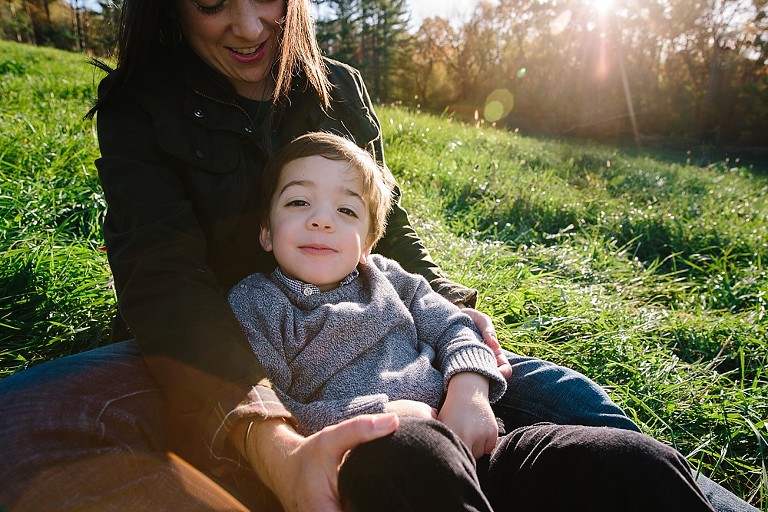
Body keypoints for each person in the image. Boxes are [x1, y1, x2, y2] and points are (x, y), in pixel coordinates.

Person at [0, 0, 756, 510]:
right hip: (216, 346)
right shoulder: (142, 105)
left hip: (387, 337)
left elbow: (390, 232)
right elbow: (163, 281)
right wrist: (269, 439)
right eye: (211, 2)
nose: (248, 24)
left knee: (580, 412)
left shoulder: (337, 89)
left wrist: (458, 336)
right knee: (22, 416)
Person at [226, 130, 716, 511]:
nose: (322, 220)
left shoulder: (391, 278)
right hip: (385, 467)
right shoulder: (257, 302)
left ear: (370, 241)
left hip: (482, 447)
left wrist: (469, 391)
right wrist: (385, 414)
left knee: (633, 461)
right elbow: (273, 405)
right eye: (298, 202)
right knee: (409, 455)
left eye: (346, 209)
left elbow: (454, 327)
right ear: (266, 231)